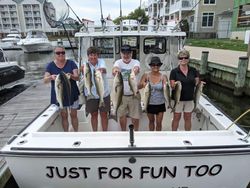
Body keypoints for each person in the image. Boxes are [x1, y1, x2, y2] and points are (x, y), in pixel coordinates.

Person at [43, 46, 80, 132]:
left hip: (72, 93)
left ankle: (76, 132)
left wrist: (71, 76)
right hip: (59, 94)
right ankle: (66, 134)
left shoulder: (71, 63)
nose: (61, 54)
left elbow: (77, 77)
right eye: (58, 53)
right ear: (54, 54)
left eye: (63, 52)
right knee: (64, 115)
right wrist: (51, 77)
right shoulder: (50, 65)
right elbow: (45, 80)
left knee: (74, 114)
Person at [112, 44, 141, 131]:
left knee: (135, 117)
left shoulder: (136, 62)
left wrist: (134, 71)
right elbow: (114, 69)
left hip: (134, 94)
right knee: (122, 116)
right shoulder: (118, 62)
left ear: (131, 53)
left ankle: (136, 133)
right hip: (121, 95)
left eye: (128, 53)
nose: (126, 55)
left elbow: (137, 68)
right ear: (121, 54)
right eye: (124, 53)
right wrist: (116, 71)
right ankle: (123, 133)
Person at [169, 49, 200, 131]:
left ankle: (187, 134)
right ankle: (174, 134)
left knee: (188, 117)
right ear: (178, 59)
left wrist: (199, 83)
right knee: (176, 117)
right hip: (178, 99)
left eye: (185, 57)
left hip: (189, 98)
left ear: (188, 59)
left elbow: (197, 81)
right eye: (181, 58)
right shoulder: (174, 71)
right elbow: (172, 86)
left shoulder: (193, 70)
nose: (183, 60)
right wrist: (174, 84)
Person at [82, 46, 110, 131]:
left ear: (98, 55)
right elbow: (81, 72)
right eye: (91, 55)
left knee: (104, 114)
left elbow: (104, 69)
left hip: (103, 93)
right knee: (93, 114)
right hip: (91, 94)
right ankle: (95, 133)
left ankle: (104, 132)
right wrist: (81, 70)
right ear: (88, 56)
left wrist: (101, 70)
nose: (93, 57)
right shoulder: (85, 64)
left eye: (95, 55)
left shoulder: (101, 62)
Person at [140, 56, 167, 131]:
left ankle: (158, 138)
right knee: (151, 122)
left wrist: (167, 84)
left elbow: (166, 88)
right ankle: (151, 137)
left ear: (160, 66)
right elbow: (139, 86)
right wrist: (142, 83)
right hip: (149, 103)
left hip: (160, 103)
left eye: (157, 65)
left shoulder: (163, 76)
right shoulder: (146, 75)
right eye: (153, 65)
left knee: (159, 123)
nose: (155, 66)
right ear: (150, 66)